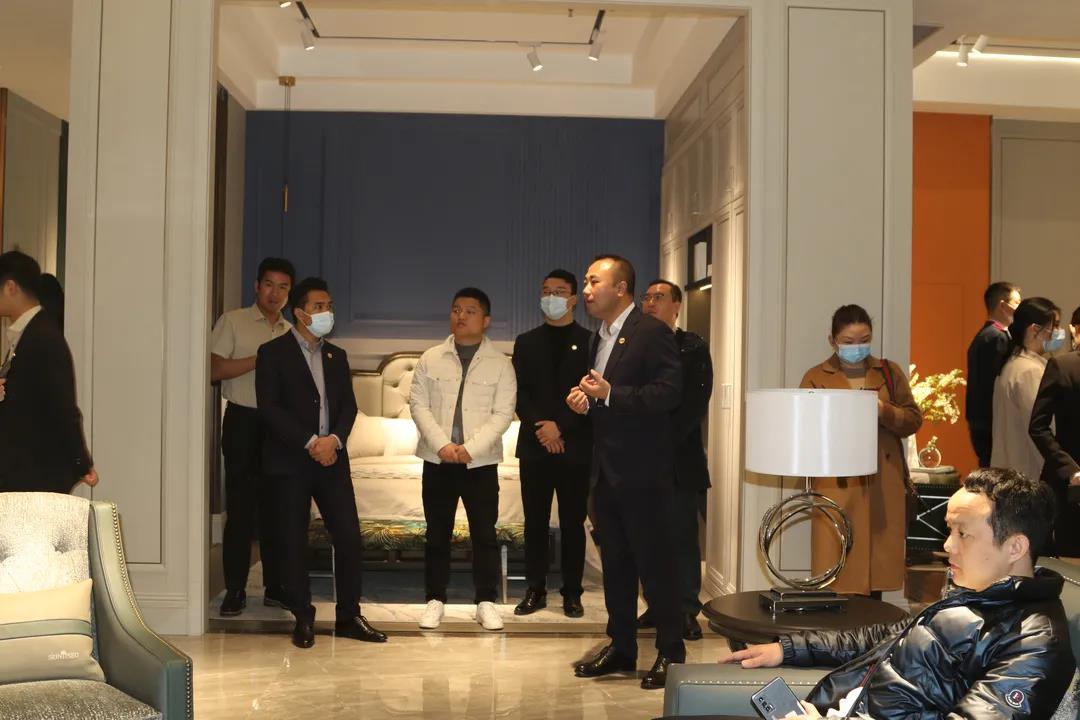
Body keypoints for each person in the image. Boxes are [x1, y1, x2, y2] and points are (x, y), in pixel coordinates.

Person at [723, 468, 1075, 719]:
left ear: (1015, 547)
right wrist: (789, 649)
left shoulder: (1034, 642)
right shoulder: (977, 596)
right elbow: (885, 637)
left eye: (963, 534)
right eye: (949, 530)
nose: (947, 546)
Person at [567, 255, 684, 690]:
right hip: (606, 474)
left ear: (620, 288)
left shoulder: (651, 332)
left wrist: (611, 393)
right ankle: (622, 647)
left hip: (644, 474)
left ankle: (671, 652)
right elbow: (608, 400)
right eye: (585, 282)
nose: (586, 290)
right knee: (615, 567)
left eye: (594, 282)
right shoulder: (598, 337)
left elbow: (669, 394)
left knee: (655, 568)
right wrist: (587, 402)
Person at [255, 277, 386, 648]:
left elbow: (349, 407)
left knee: (348, 536)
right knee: (293, 539)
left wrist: (335, 441)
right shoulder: (272, 352)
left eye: (329, 306)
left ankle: (349, 616)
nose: (327, 312)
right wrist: (311, 441)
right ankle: (303, 616)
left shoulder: (336, 356)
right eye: (319, 306)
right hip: (290, 461)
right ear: (300, 313)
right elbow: (270, 408)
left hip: (333, 461)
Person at [409, 287, 517, 632]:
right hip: (437, 459)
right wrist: (442, 444)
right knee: (436, 533)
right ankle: (434, 600)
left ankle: (485, 601)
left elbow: (503, 414)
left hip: (479, 463)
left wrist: (470, 448)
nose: (461, 316)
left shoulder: (501, 364)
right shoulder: (430, 358)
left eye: (470, 311)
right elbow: (419, 406)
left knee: (484, 534)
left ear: (486, 320)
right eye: (456, 309)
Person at [799, 305, 922, 597]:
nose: (857, 348)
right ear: (832, 341)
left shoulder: (889, 372)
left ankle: (873, 621)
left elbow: (913, 420)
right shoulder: (816, 376)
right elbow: (804, 429)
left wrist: (882, 410)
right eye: (849, 341)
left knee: (878, 560)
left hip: (883, 479)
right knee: (838, 559)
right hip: (837, 481)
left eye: (864, 340)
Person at [210, 257, 294, 617]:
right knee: (241, 509)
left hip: (281, 427)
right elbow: (214, 369)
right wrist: (259, 359)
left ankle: (275, 587)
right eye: (269, 285)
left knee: (278, 508)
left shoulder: (291, 331)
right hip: (243, 421)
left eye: (283, 287)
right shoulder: (233, 321)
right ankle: (235, 590)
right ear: (257, 286)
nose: (275, 293)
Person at [511, 270, 593, 619]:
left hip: (575, 445)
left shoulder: (590, 342)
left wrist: (560, 427)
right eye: (546, 291)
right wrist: (543, 428)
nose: (551, 297)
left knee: (573, 523)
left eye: (559, 291)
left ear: (573, 299)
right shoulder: (526, 341)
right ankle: (535, 589)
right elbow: (518, 393)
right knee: (535, 522)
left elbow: (590, 393)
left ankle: (572, 592)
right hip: (535, 445)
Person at [638, 279, 713, 641]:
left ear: (677, 306)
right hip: (638, 461)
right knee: (647, 538)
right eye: (647, 297)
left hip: (680, 459)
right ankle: (656, 605)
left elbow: (695, 404)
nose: (651, 303)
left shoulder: (692, 347)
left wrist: (660, 440)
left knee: (681, 538)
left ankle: (685, 609)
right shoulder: (634, 344)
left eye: (659, 297)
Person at [0, 250, 96, 492]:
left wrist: (81, 463)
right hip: (23, 472)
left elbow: (62, 405)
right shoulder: (30, 333)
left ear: (10, 287)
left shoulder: (42, 337)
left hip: (34, 476)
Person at [991, 297, 1063, 485]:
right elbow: (1041, 427)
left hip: (1012, 471)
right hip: (1028, 473)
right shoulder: (1030, 371)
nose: (1058, 332)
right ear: (1034, 329)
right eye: (1054, 326)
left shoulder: (1014, 364)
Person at [1029, 303, 1080, 557]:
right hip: (1068, 481)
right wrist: (1070, 469)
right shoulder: (1062, 366)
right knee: (1068, 554)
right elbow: (1038, 426)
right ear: (1075, 330)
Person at [967, 282, 1021, 467]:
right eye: (1017, 302)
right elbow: (997, 382)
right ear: (1003, 305)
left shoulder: (986, 335)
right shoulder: (996, 337)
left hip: (982, 419)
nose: (1019, 308)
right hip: (991, 420)